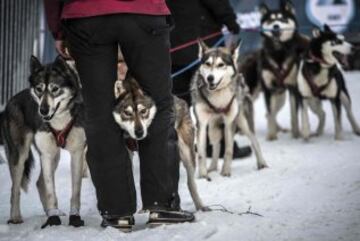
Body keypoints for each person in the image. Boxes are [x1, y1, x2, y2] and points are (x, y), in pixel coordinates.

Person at [43, 0, 194, 230]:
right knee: (158, 105)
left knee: (99, 112)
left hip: (86, 16)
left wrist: (57, 28)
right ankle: (162, 204)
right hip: (144, 13)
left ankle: (117, 213)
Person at [167, 0, 252, 158]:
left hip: (173, 44)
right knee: (213, 99)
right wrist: (230, 21)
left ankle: (173, 148)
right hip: (202, 43)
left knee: (177, 102)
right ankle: (216, 146)